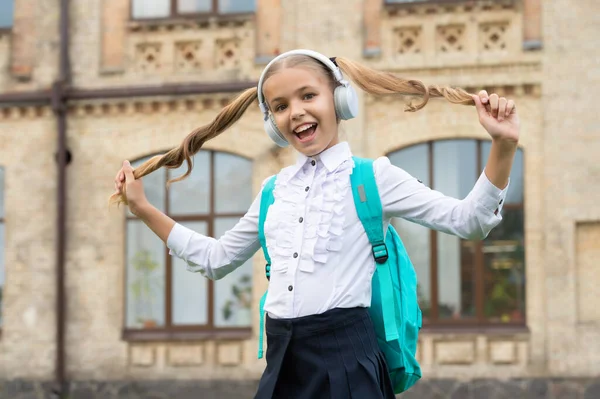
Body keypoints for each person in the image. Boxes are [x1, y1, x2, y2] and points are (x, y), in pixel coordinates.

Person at [111, 49, 519, 399]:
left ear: (340, 100)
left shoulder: (372, 178)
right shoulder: (273, 191)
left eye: (309, 95)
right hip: (282, 360)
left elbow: (471, 221)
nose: (297, 113)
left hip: (347, 361)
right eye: (281, 106)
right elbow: (217, 259)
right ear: (272, 122)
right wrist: (144, 209)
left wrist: (502, 145)